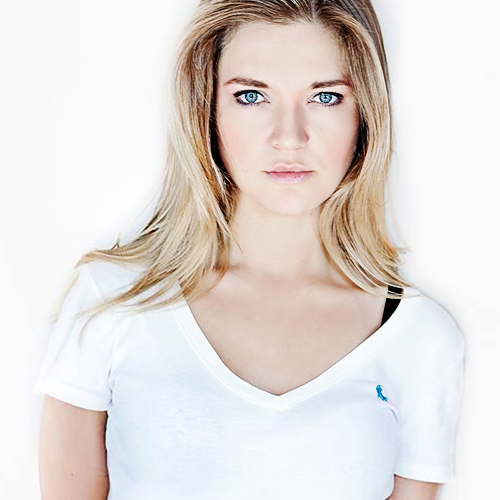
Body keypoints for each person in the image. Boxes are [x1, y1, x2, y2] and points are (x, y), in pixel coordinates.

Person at [33, 1, 466, 499]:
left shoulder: (420, 338)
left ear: (364, 115)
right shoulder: (113, 299)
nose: (289, 137)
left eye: (325, 97)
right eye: (251, 96)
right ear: (207, 110)